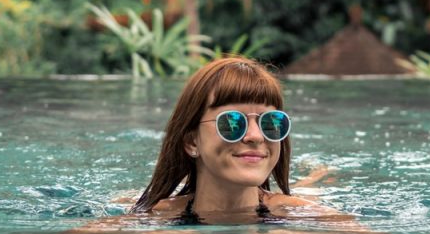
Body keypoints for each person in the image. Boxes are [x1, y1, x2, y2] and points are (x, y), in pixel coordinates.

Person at [127, 56, 343, 225]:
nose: (256, 136)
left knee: (309, 188)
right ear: (192, 142)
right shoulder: (155, 217)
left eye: (270, 122)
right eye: (232, 122)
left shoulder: (308, 217)